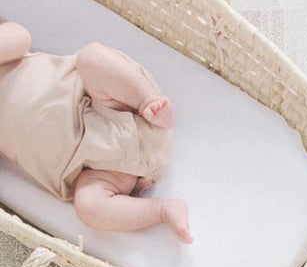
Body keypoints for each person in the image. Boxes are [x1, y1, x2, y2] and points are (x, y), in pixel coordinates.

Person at [0, 20, 191, 242]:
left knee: (92, 57)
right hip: (99, 169)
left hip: (112, 107)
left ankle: (147, 98)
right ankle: (161, 210)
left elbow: (21, 37)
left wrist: (144, 104)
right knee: (89, 208)